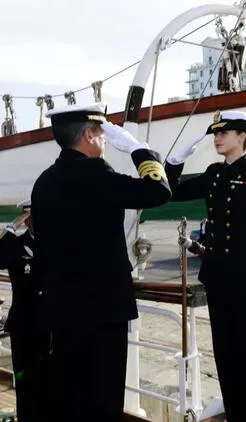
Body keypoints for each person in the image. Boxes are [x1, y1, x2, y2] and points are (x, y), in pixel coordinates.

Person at [30, 102, 171, 421]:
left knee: (70, 395)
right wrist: (139, 150)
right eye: (103, 134)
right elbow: (158, 191)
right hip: (102, 311)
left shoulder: (45, 182)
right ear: (90, 135)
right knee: (103, 399)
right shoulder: (95, 174)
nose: (106, 140)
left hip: (61, 310)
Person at [165, 110, 246, 421]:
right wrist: (175, 162)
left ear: (243, 136)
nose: (217, 137)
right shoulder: (214, 173)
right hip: (218, 280)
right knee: (226, 354)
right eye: (215, 133)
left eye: (225, 132)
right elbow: (171, 191)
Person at [0, 199, 50, 422]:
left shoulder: (56, 244)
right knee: (25, 381)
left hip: (52, 322)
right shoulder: (15, 245)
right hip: (24, 324)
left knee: (51, 378)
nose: (33, 221)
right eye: (29, 217)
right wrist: (10, 229)